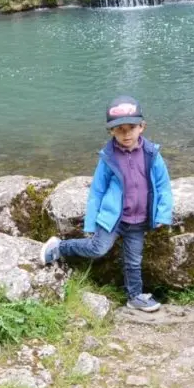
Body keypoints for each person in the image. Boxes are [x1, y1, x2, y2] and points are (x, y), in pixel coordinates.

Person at [39, 95, 173, 312]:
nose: (126, 134)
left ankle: (134, 296)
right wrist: (90, 224)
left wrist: (162, 214)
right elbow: (97, 191)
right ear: (111, 131)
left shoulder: (152, 154)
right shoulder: (108, 157)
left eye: (131, 128)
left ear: (142, 127)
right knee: (98, 248)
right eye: (119, 129)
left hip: (139, 219)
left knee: (133, 261)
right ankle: (60, 247)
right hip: (112, 218)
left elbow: (163, 185)